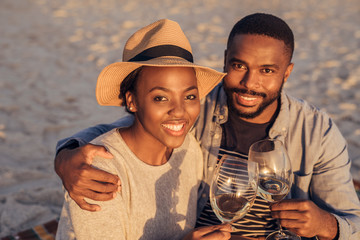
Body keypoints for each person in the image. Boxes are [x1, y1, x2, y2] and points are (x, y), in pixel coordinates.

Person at [55, 13, 360, 239]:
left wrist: (326, 225)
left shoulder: (317, 132)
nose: (250, 83)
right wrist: (67, 155)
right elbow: (135, 126)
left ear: (287, 72)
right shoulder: (196, 105)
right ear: (226, 60)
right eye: (239, 66)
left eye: (267, 71)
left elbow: (354, 223)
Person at [55, 19, 232, 240]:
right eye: (161, 97)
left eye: (189, 96)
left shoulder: (190, 150)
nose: (179, 111)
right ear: (132, 101)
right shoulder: (98, 172)